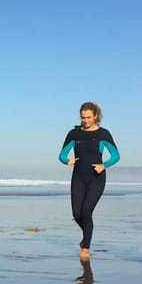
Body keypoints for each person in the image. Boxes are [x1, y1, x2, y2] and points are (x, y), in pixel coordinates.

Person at [59, 102, 120, 259]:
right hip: (78, 177)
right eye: (83, 117)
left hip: (96, 178)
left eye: (88, 117)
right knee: (77, 214)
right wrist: (67, 161)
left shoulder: (103, 134)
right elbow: (62, 154)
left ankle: (86, 247)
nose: (85, 120)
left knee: (86, 211)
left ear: (96, 116)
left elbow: (115, 155)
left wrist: (104, 165)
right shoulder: (74, 134)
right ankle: (87, 234)